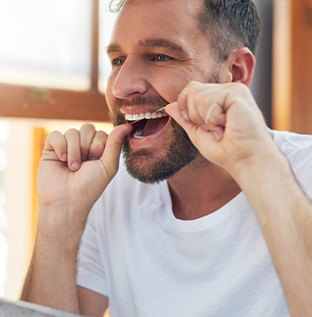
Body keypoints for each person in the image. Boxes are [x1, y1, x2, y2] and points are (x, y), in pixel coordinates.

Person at [21, 0, 312, 316]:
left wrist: (256, 164)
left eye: (160, 56)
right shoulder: (107, 189)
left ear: (236, 73)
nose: (122, 86)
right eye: (118, 60)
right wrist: (58, 216)